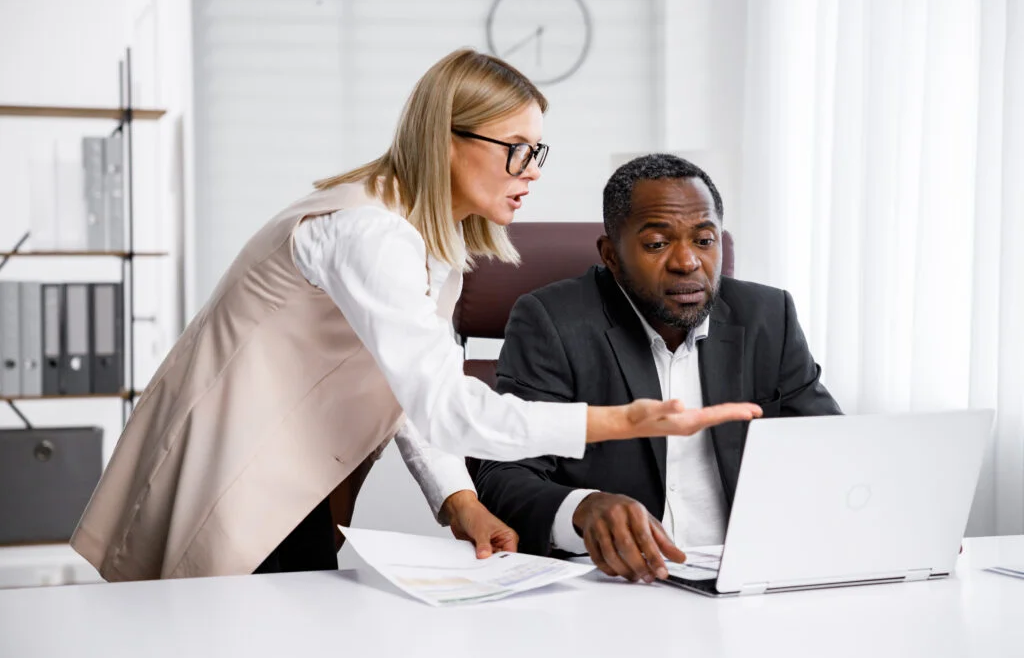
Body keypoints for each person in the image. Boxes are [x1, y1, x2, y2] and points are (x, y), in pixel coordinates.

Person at [70, 53, 761, 581]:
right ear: (446, 139)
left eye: (538, 151)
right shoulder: (369, 233)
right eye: (516, 149)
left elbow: (406, 387)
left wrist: (458, 500)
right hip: (236, 470)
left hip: (295, 483)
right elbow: (442, 404)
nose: (533, 170)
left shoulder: (428, 241)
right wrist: (619, 418)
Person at [473, 153, 841, 584]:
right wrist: (583, 507)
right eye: (657, 244)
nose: (687, 262)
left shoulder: (768, 315)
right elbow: (503, 473)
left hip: (745, 574)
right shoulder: (552, 321)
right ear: (611, 255)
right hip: (614, 583)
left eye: (704, 241)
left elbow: (830, 449)